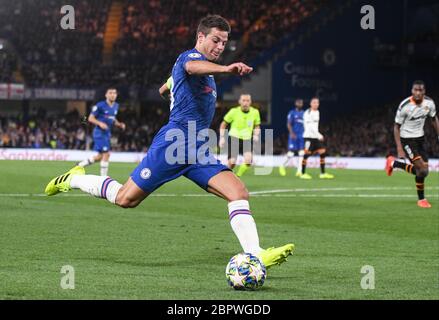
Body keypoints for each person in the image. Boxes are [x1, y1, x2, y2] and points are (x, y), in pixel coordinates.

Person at [45, 15, 294, 269]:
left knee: (238, 192)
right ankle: (74, 178)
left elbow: (166, 87)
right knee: (125, 198)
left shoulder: (202, 72)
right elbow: (191, 68)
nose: (220, 47)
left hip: (197, 149)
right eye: (215, 40)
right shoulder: (190, 59)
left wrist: (168, 89)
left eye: (224, 43)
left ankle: (255, 254)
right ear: (201, 37)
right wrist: (226, 69)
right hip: (173, 144)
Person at [385, 80, 438, 208]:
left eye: (420, 90)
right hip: (407, 139)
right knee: (421, 169)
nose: (418, 93)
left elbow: (433, 118)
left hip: (420, 139)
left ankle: (393, 163)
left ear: (424, 91)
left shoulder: (429, 103)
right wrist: (399, 148)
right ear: (412, 91)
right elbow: (396, 127)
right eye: (416, 90)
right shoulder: (405, 106)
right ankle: (421, 199)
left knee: (423, 172)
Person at [76, 88, 126, 176]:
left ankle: (79, 165)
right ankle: (104, 178)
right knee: (107, 154)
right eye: (110, 93)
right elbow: (90, 118)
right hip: (99, 133)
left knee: (99, 156)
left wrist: (119, 124)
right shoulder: (100, 105)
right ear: (106, 95)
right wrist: (100, 123)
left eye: (114, 93)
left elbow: (112, 118)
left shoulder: (116, 106)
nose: (113, 95)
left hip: (107, 133)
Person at [218, 94, 261, 177]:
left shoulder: (255, 112)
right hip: (234, 138)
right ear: (239, 101)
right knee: (232, 162)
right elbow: (223, 124)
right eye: (243, 100)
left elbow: (257, 125)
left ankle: (237, 176)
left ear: (250, 102)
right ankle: (225, 177)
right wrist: (222, 138)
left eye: (247, 100)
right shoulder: (233, 111)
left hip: (247, 139)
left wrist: (256, 135)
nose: (245, 103)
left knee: (248, 160)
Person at [300, 97, 334, 180]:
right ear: (310, 104)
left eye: (317, 103)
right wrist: (319, 135)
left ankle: (323, 173)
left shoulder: (317, 112)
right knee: (306, 154)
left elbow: (315, 127)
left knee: (322, 152)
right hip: (308, 137)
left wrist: (317, 135)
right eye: (314, 102)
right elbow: (310, 127)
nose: (316, 104)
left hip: (315, 137)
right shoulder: (308, 113)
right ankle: (302, 173)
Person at [279, 98, 304, 177]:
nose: (299, 104)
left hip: (302, 136)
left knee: (302, 153)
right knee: (291, 153)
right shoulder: (292, 113)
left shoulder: (304, 113)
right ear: (295, 103)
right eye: (298, 102)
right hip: (294, 135)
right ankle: (282, 165)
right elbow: (289, 124)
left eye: (301, 103)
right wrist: (291, 133)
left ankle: (299, 171)